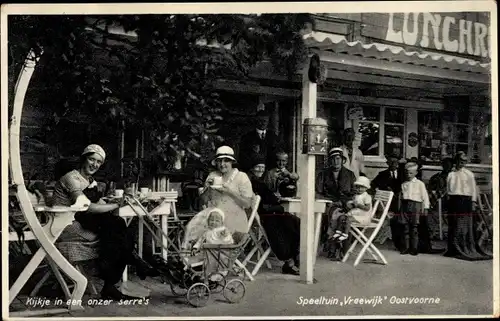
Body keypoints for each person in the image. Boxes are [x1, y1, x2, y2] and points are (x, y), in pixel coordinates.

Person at [53, 144, 157, 300]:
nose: (94, 164)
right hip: (65, 227)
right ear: (84, 159)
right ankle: (126, 269)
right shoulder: (72, 178)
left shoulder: (89, 180)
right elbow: (87, 206)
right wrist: (117, 204)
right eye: (91, 159)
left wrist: (116, 201)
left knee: (118, 226)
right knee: (115, 231)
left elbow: (96, 203)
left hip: (79, 220)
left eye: (98, 162)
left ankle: (119, 275)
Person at [247, 154, 301, 275]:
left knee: (295, 221)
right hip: (266, 215)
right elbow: (263, 203)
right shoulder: (252, 182)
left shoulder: (260, 181)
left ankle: (295, 256)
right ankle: (289, 261)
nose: (260, 170)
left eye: (262, 167)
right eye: (257, 167)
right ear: (252, 168)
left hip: (271, 212)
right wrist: (277, 204)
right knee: (285, 225)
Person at [444, 152, 492, 261]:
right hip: (454, 200)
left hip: (466, 200)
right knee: (453, 224)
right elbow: (448, 189)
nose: (462, 163)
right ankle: (452, 249)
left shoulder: (469, 174)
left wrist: (473, 201)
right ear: (456, 160)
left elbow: (473, 189)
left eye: (464, 161)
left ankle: (464, 247)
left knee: (464, 225)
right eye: (460, 161)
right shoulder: (451, 174)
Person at [198, 145, 253, 234]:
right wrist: (207, 188)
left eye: (226, 160)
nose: (222, 164)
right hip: (214, 219)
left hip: (235, 219)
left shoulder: (241, 177)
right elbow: (203, 202)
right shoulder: (212, 175)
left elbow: (247, 204)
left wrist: (229, 192)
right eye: (219, 161)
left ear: (232, 162)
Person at [316, 147, 356, 247]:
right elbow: (318, 193)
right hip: (329, 204)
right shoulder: (323, 174)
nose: (336, 161)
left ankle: (343, 246)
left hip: (346, 205)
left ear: (342, 160)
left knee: (345, 216)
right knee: (334, 212)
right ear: (330, 161)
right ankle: (332, 245)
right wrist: (329, 201)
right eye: (333, 159)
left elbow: (354, 192)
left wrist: (347, 202)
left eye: (338, 158)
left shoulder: (350, 175)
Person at [326, 176, 372, 260]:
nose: (359, 189)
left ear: (366, 188)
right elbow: (352, 206)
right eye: (357, 187)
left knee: (347, 219)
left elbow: (367, 208)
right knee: (342, 217)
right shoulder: (356, 195)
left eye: (362, 187)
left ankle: (345, 234)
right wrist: (350, 205)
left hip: (363, 216)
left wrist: (357, 205)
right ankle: (339, 231)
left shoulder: (367, 196)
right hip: (355, 214)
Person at [370, 154, 404, 251]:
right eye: (391, 162)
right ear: (387, 163)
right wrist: (380, 192)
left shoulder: (403, 174)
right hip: (387, 203)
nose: (394, 164)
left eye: (396, 162)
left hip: (400, 202)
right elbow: (373, 185)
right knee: (391, 219)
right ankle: (393, 240)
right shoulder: (382, 174)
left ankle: (400, 241)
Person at [398, 162, 430, 256]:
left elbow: (425, 196)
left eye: (411, 173)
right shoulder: (404, 184)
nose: (408, 175)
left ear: (416, 173)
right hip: (405, 205)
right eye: (407, 173)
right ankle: (406, 247)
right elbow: (402, 197)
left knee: (414, 227)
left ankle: (414, 248)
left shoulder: (420, 184)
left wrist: (426, 207)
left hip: (416, 206)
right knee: (405, 227)